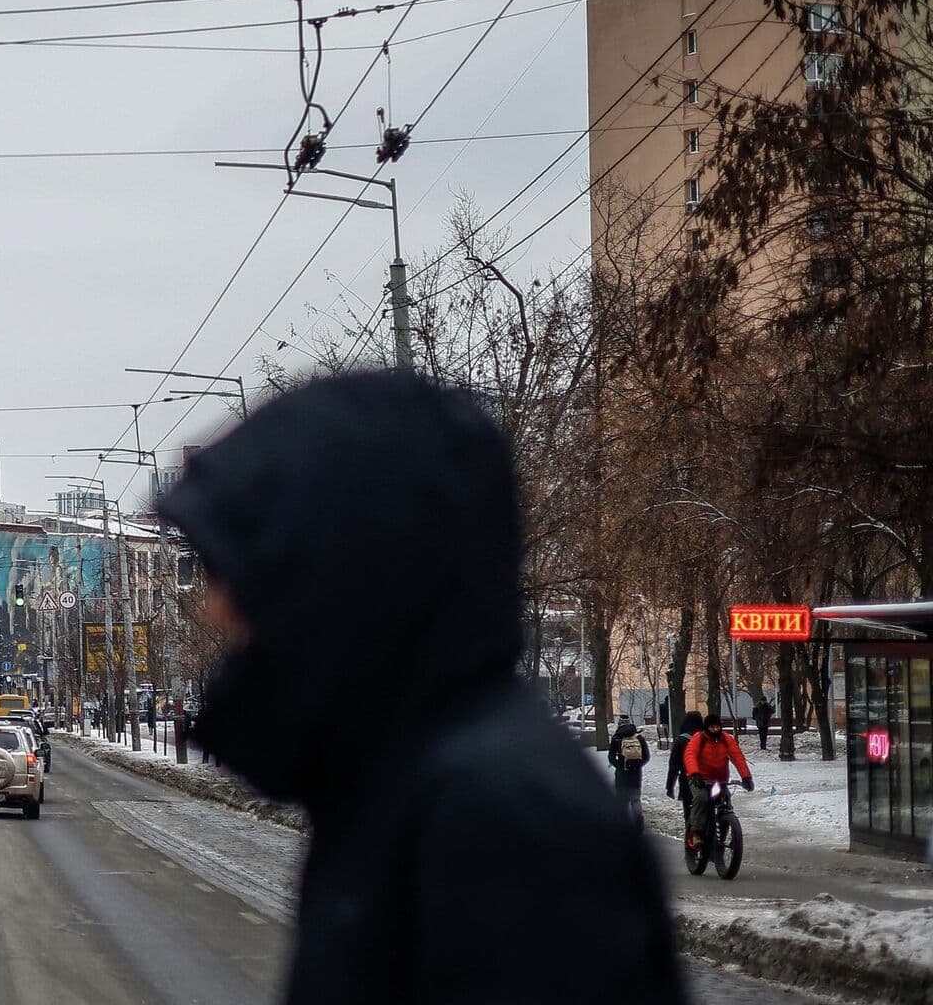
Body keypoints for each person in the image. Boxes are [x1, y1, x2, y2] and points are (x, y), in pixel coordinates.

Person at [159, 372, 686, 1003]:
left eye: (237, 574)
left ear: (343, 572)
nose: (216, 610)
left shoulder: (503, 824)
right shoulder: (395, 779)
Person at [683, 710, 754, 849]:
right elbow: (690, 755)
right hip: (700, 779)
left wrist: (746, 777)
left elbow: (737, 757)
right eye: (711, 727)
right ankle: (697, 832)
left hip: (718, 781)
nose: (715, 730)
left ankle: (724, 832)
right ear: (706, 728)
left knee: (725, 800)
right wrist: (694, 773)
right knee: (702, 799)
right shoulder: (699, 738)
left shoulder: (726, 739)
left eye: (717, 727)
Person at [664, 710, 704, 832]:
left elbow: (674, 766)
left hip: (687, 780)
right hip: (708, 779)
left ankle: (690, 839)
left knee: (689, 812)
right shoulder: (706, 738)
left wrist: (669, 786)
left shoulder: (681, 740)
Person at [609, 720, 651, 827]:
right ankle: (638, 822)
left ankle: (623, 823)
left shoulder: (617, 739)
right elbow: (646, 756)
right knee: (636, 799)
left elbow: (611, 757)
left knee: (622, 800)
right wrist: (637, 765)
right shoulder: (639, 739)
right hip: (636, 774)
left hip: (621, 774)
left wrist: (619, 766)